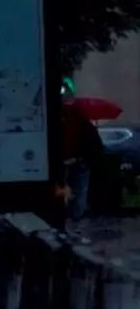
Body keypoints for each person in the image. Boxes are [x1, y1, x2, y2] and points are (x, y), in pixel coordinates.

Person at [62, 90, 104, 220]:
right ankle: (75, 215)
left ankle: (66, 213)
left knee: (66, 188)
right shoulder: (87, 127)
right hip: (81, 162)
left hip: (66, 161)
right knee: (79, 190)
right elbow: (96, 147)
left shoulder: (64, 125)